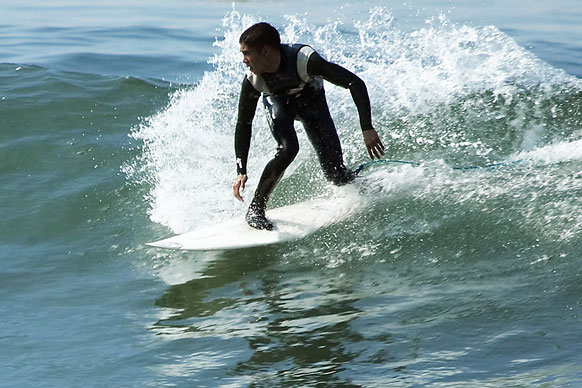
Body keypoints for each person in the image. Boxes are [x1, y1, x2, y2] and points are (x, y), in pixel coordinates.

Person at [232, 22, 384, 230]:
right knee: (288, 149)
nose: (244, 60)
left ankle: (359, 183)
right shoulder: (253, 80)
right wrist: (241, 169)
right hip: (279, 103)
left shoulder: (304, 60)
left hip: (311, 102)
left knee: (335, 174)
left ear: (265, 51)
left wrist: (366, 127)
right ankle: (256, 209)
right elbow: (243, 123)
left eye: (247, 54)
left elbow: (354, 82)